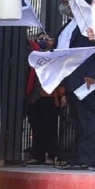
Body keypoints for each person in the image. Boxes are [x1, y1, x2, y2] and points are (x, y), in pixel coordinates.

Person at [56, 0, 95, 170]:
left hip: (87, 79)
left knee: (90, 119)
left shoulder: (91, 20)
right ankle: (79, 157)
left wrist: (93, 73)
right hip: (70, 78)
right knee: (78, 120)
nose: (63, 5)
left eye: (66, 0)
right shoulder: (69, 24)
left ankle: (92, 158)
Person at [23, 31, 64, 166]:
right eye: (41, 39)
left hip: (49, 96)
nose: (44, 41)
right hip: (34, 96)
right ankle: (38, 154)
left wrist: (63, 95)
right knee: (36, 126)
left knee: (50, 126)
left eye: (48, 39)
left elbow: (61, 75)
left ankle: (51, 155)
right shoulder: (33, 53)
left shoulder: (57, 55)